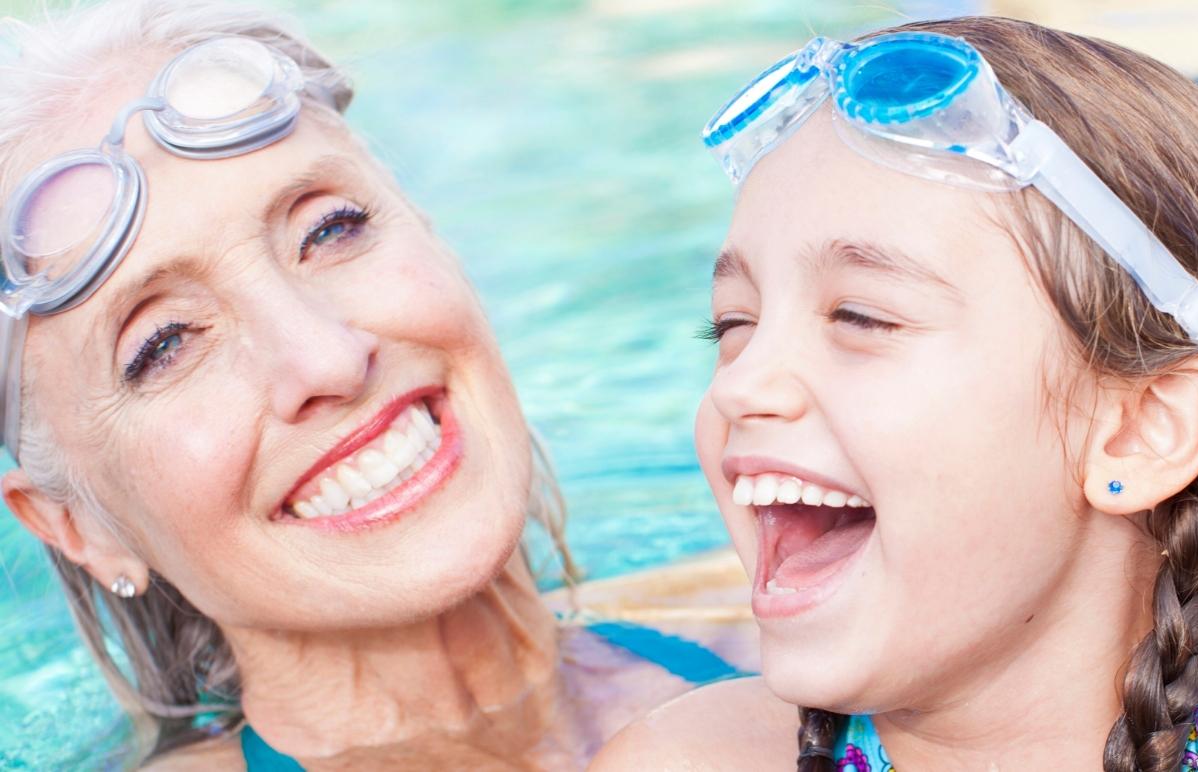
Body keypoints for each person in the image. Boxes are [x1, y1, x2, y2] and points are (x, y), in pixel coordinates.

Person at [594, 16, 1198, 771]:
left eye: (862, 318)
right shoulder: (684, 758)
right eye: (733, 327)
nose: (742, 384)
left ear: (1141, 428)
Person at [0, 1, 735, 768]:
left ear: (431, 232)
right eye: (166, 344)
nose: (329, 360)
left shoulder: (793, 638)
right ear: (75, 526)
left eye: (329, 229)